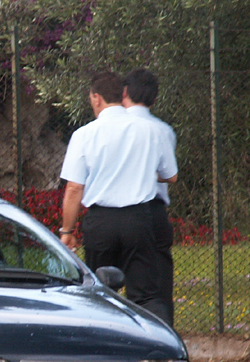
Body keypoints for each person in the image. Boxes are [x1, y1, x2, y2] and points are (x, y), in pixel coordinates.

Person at [58, 71, 177, 324]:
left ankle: (101, 344)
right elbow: (170, 175)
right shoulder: (151, 130)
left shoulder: (84, 134)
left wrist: (67, 230)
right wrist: (142, 171)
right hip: (139, 218)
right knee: (146, 294)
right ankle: (157, 347)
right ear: (123, 94)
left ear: (97, 98)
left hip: (101, 221)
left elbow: (73, 189)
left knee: (100, 293)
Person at [123, 68, 177, 326]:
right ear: (155, 99)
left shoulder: (112, 128)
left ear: (124, 94)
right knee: (157, 283)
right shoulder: (163, 130)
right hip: (153, 210)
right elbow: (168, 172)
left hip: (116, 211)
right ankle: (162, 331)